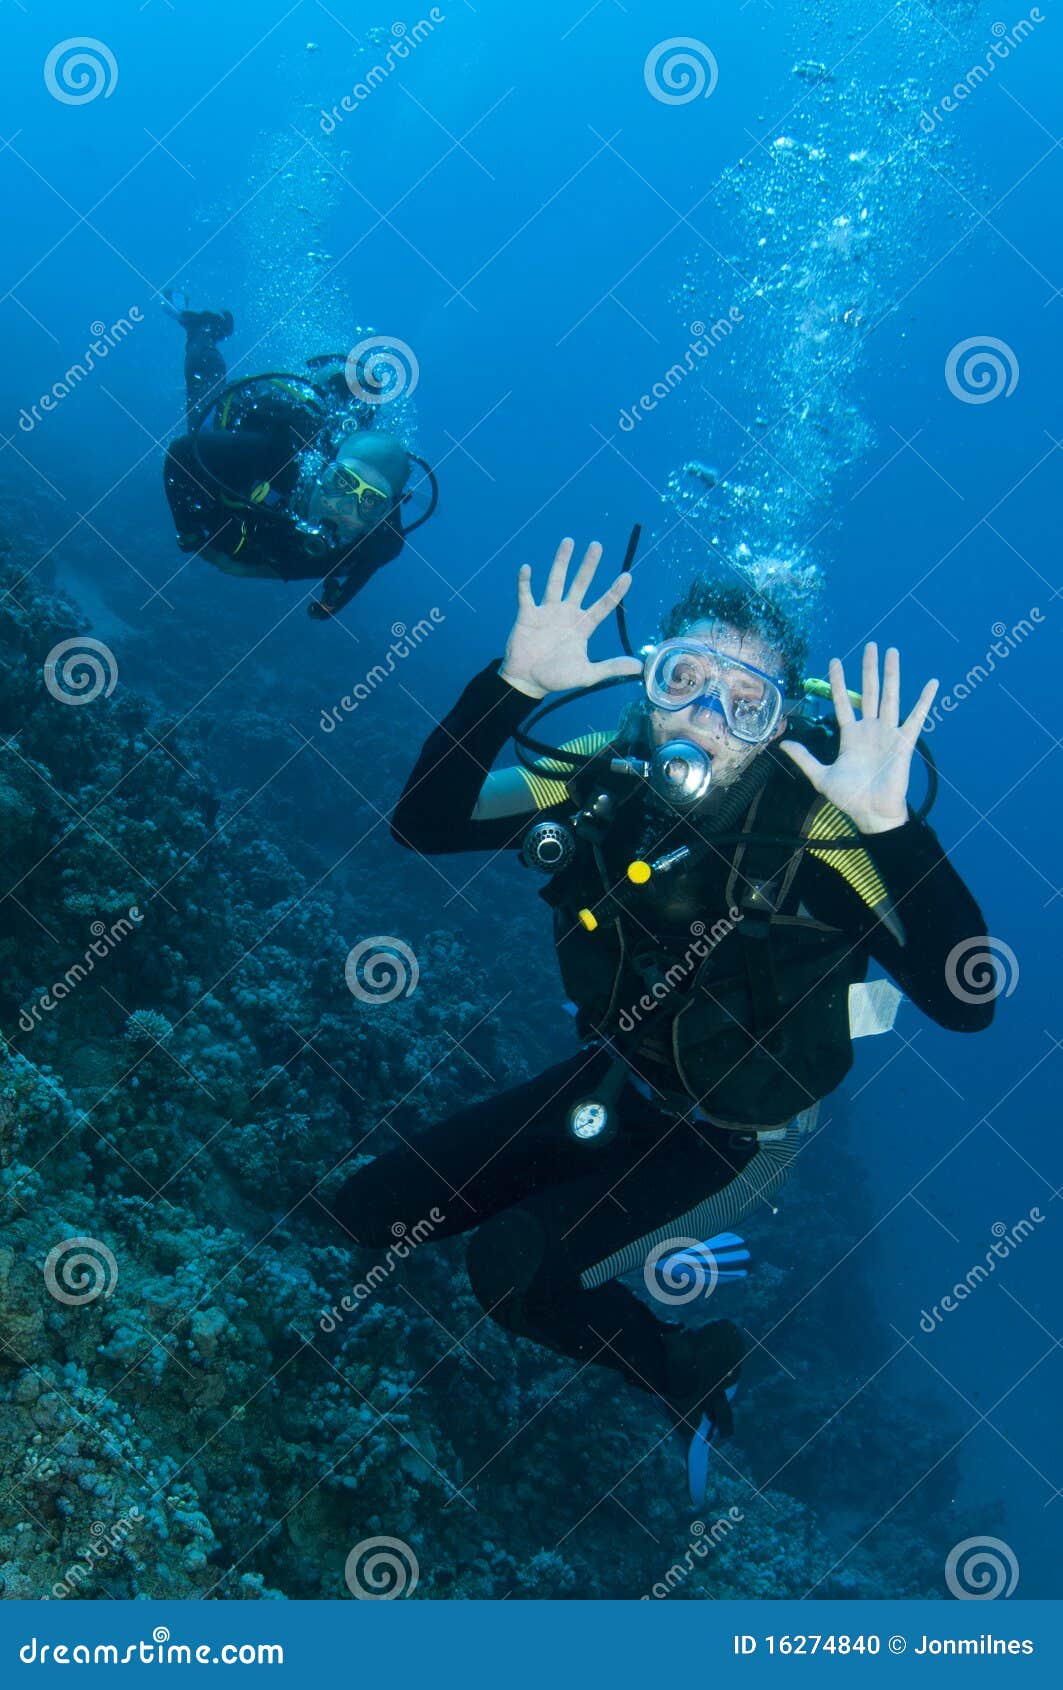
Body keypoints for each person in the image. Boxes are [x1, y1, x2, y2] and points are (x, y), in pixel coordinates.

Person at [329, 537, 993, 1503]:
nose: (706, 720)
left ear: (777, 724)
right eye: (685, 678)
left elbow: (963, 1001)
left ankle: (687, 1366)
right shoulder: (605, 774)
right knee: (364, 1212)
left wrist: (893, 831)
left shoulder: (820, 831)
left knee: (512, 1270)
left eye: (746, 702)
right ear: (648, 682)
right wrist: (511, 685)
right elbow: (423, 824)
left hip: (734, 1136)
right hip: (614, 1084)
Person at [161, 295, 435, 618]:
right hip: (247, 417)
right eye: (342, 481)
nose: (344, 506)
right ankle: (202, 328)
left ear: (383, 515)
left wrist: (332, 602)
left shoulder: (383, 541)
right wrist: (191, 534)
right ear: (324, 468)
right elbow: (180, 455)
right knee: (203, 398)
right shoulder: (278, 455)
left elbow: (361, 570)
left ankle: (350, 393)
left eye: (371, 502)